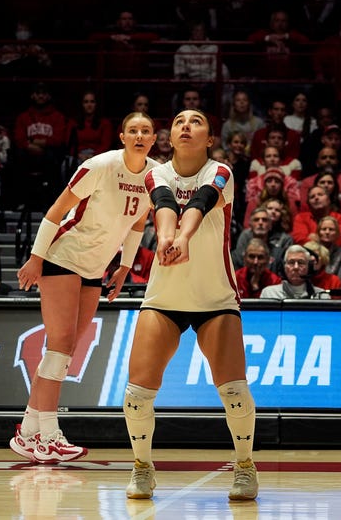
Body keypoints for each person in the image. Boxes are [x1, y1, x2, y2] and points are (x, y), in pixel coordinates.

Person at [123, 108, 258, 501]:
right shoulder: (156, 172)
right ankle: (142, 467)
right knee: (136, 395)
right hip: (165, 297)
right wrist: (167, 238)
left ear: (210, 138)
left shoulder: (222, 172)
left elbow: (200, 202)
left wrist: (183, 238)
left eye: (195, 121)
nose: (185, 126)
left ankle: (246, 467)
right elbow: (163, 204)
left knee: (234, 391)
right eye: (179, 121)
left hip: (215, 297)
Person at [11, 111, 158, 464]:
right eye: (133, 130)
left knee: (66, 349)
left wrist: (124, 266)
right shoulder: (100, 166)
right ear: (122, 136)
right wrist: (36, 257)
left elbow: (139, 223)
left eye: (146, 131)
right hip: (63, 254)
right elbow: (56, 210)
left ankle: (27, 431)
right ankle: (49, 434)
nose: (140, 135)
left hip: (96, 265)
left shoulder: (156, 175)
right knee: (59, 345)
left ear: (154, 139)